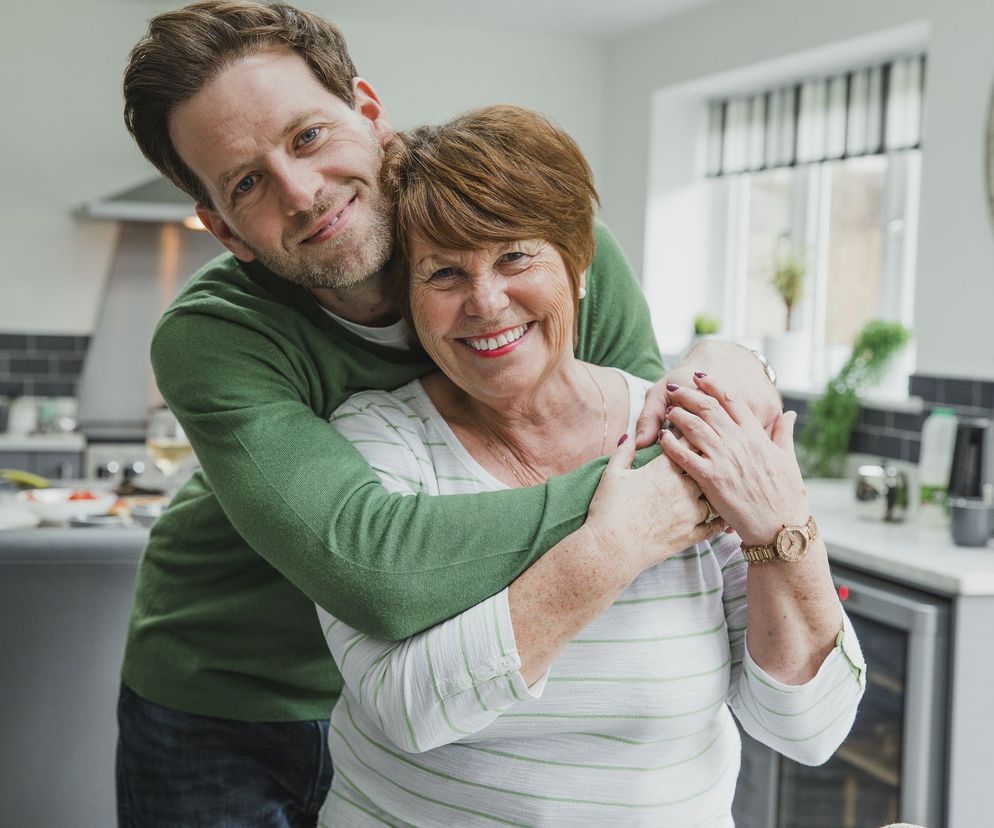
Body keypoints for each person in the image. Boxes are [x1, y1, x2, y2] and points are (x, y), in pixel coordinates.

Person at [115, 2, 783, 825]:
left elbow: (634, 437)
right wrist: (662, 492)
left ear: (369, 112)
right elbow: (380, 570)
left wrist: (731, 365)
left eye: (308, 136)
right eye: (247, 183)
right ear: (224, 230)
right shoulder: (215, 335)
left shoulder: (542, 244)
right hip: (226, 697)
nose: (301, 191)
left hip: (432, 701)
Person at [315, 105, 865, 826]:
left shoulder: (688, 427)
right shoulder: (377, 441)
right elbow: (406, 710)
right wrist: (614, 545)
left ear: (578, 270)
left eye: (516, 257)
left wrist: (784, 536)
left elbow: (808, 731)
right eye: (444, 272)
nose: (485, 301)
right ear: (411, 301)